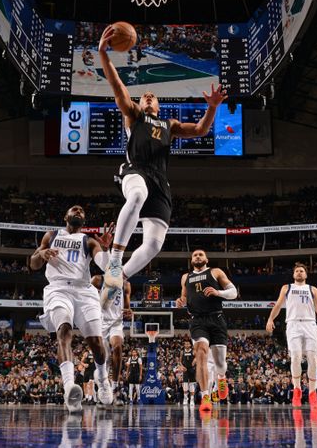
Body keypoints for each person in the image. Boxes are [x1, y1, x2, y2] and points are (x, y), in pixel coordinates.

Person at [98, 25, 227, 306]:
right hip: (136, 170)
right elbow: (117, 86)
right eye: (144, 95)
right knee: (136, 195)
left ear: (158, 103)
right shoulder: (133, 114)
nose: (147, 96)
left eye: (152, 96)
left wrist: (213, 107)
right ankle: (116, 259)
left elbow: (201, 130)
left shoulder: (170, 124)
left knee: (154, 244)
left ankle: (117, 278)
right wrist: (104, 56)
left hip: (160, 181)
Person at [32, 206, 115, 412]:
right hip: (58, 289)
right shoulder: (51, 235)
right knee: (64, 330)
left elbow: (106, 266)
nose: (78, 210)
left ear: (84, 221)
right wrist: (41, 253)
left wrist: (106, 250)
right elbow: (33, 264)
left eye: (81, 211)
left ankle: (103, 379)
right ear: (65, 216)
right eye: (74, 209)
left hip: (84, 291)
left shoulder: (89, 240)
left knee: (96, 342)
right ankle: (69, 388)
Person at [266, 262, 317, 408]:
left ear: (306, 274)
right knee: (296, 356)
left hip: (310, 324)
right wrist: (270, 319)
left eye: (302, 271)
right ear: (294, 274)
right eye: (297, 271)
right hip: (293, 324)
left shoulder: (313, 289)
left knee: (312, 358)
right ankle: (297, 389)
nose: (299, 273)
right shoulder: (287, 288)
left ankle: (312, 393)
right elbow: (278, 305)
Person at [175, 249, 238, 413]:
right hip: (197, 320)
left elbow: (233, 292)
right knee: (201, 352)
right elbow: (184, 296)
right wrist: (181, 301)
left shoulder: (215, 272)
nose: (197, 256)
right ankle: (205, 396)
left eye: (200, 254)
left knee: (220, 363)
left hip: (216, 319)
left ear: (206, 259)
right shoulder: (185, 277)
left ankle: (222, 377)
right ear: (191, 260)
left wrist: (218, 292)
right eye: (195, 255)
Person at [91, 274, 132, 403]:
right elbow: (87, 299)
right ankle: (103, 388)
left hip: (116, 323)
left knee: (118, 346)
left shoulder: (126, 284)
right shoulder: (97, 280)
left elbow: (127, 308)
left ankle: (115, 388)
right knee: (105, 359)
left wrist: (129, 312)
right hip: (100, 323)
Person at [179, 340, 197, 407]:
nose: (186, 345)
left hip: (192, 369)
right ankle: (185, 399)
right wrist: (182, 366)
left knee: (192, 385)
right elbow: (180, 361)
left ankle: (192, 400)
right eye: (185, 344)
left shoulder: (193, 351)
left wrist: (195, 360)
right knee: (185, 384)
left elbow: (197, 357)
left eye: (187, 344)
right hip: (185, 369)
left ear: (190, 345)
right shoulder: (182, 352)